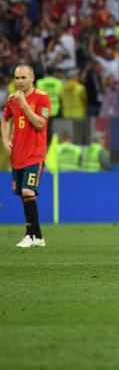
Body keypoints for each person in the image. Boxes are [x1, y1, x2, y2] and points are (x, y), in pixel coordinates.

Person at [1, 65, 50, 248]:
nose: (19, 81)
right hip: (18, 155)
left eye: (23, 77)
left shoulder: (42, 98)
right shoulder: (11, 100)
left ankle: (29, 235)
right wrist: (5, 140)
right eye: (16, 78)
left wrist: (24, 105)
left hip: (35, 154)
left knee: (27, 191)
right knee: (24, 195)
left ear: (32, 78)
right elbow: (5, 119)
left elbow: (40, 123)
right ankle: (38, 236)